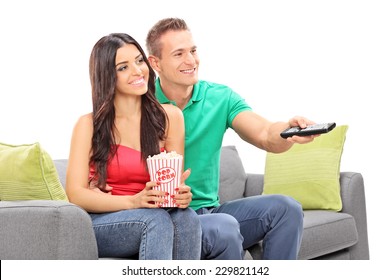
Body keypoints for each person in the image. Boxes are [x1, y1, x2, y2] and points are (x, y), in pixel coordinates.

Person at [146, 18, 318, 260]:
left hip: (212, 212)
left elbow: (265, 133)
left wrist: (287, 131)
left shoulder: (220, 97)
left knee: (286, 209)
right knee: (223, 226)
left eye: (193, 51)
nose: (191, 61)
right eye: (178, 54)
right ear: (155, 63)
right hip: (169, 219)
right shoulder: (140, 105)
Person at [65, 33, 201, 260]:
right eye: (123, 67)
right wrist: (134, 201)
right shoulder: (88, 125)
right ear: (107, 75)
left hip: (154, 213)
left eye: (139, 61)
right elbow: (75, 194)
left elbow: (173, 184)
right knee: (155, 220)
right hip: (105, 220)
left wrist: (181, 194)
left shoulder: (170, 117)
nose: (138, 71)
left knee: (187, 217)